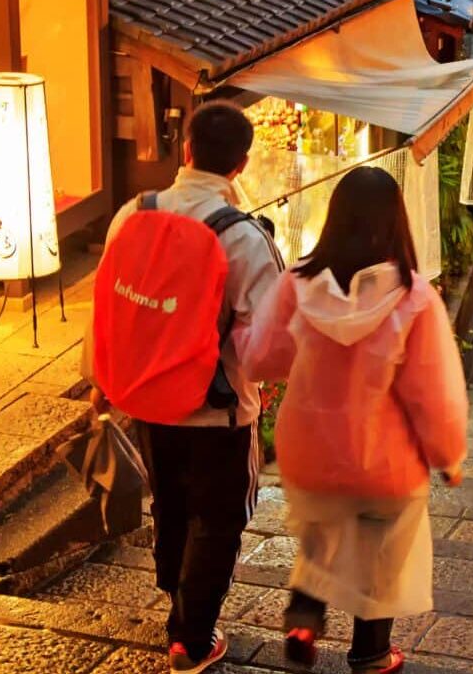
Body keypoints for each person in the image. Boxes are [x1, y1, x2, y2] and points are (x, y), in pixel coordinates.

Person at [240, 167, 467, 674]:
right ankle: (370, 654)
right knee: (381, 560)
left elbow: (260, 360)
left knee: (321, 537)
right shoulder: (414, 299)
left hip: (312, 452)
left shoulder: (297, 283)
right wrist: (448, 456)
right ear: (396, 223)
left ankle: (303, 620)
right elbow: (433, 395)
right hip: (383, 463)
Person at [101, 102, 283, 673]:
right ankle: (191, 639)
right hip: (216, 411)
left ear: (185, 150)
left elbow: (107, 305)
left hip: (147, 400)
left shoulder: (132, 213)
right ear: (241, 165)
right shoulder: (246, 238)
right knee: (220, 517)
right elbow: (268, 343)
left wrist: (102, 380)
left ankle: (177, 601)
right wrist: (264, 383)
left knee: (171, 502)